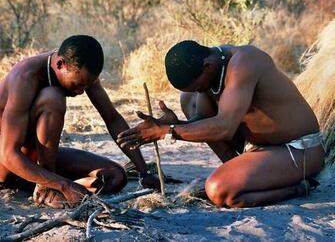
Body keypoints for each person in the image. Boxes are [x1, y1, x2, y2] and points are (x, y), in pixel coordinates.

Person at [117, 40, 325, 208]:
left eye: (200, 86)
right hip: (261, 149)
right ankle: (240, 173)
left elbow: (225, 127)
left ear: (207, 66)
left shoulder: (245, 62)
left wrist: (167, 132)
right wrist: (174, 124)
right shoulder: (213, 67)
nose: (201, 91)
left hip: (298, 150)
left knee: (218, 190)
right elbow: (206, 122)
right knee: (187, 99)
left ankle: (297, 188)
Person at [0, 35, 159, 209]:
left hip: (35, 158)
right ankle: (46, 188)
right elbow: (9, 155)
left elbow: (112, 118)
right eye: (78, 85)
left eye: (86, 85)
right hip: (7, 164)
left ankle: (48, 184)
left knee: (115, 176)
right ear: (61, 64)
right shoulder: (25, 78)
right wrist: (64, 185)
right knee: (53, 98)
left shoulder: (80, 69)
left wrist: (144, 172)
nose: (82, 91)